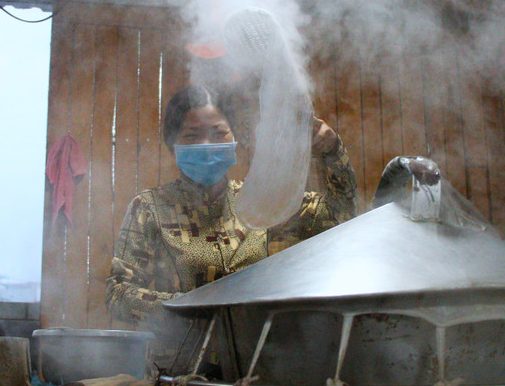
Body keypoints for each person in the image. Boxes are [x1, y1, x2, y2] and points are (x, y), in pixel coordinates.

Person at [106, 84, 359, 327]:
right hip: (177, 367)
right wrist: (189, 307)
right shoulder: (150, 207)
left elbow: (339, 214)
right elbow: (118, 294)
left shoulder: (261, 200)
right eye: (192, 136)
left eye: (218, 133)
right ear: (173, 145)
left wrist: (333, 152)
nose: (206, 144)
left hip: (251, 364)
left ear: (234, 137)